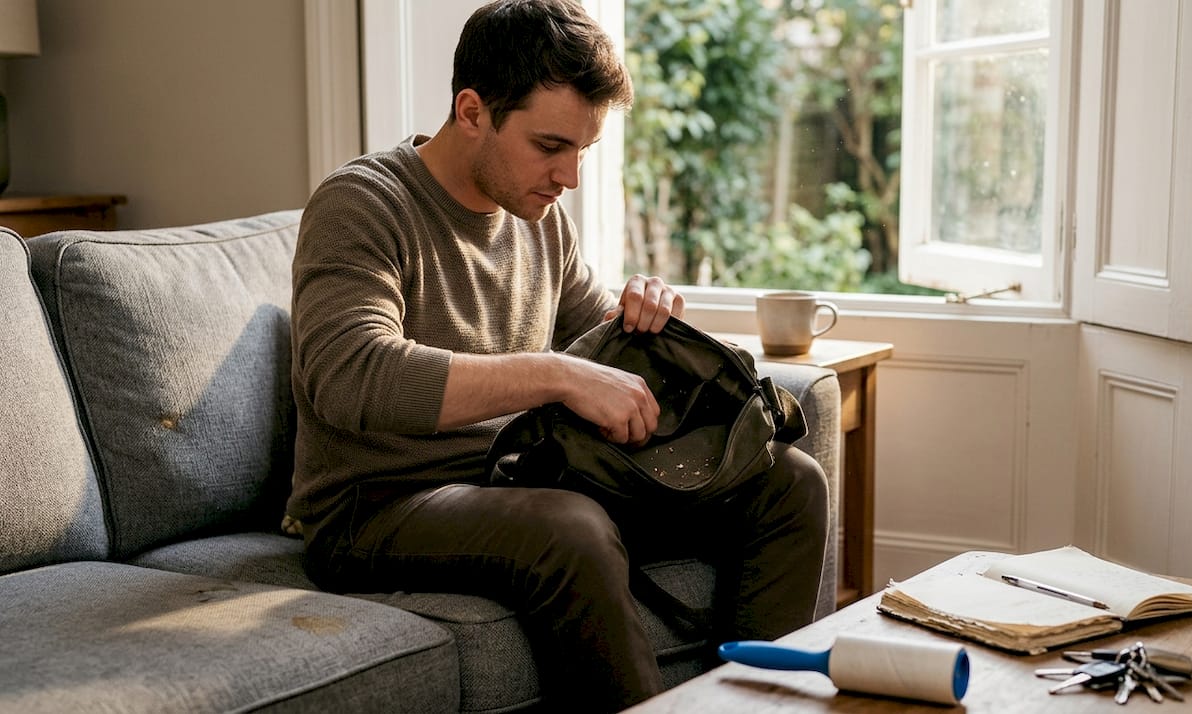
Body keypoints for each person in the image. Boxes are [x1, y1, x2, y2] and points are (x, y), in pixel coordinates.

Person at [286, 0, 829, 710]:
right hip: (377, 504)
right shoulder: (363, 203)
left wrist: (641, 314)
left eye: (582, 151)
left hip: (516, 476)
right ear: (473, 110)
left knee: (790, 481)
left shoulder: (538, 222)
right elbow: (351, 375)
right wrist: (556, 374)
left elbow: (595, 334)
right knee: (569, 528)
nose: (569, 176)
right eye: (550, 147)